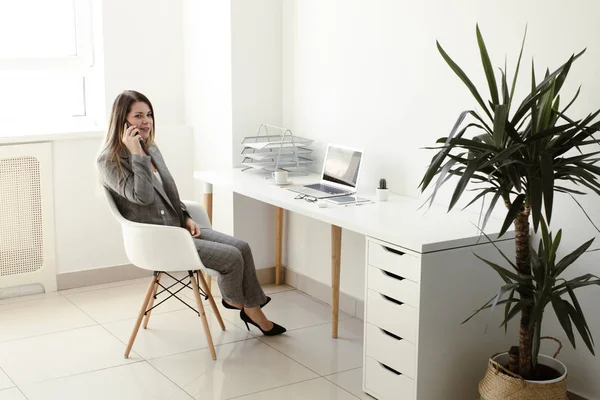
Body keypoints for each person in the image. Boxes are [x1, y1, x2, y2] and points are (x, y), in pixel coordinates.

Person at [97, 90, 285, 336]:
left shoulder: (151, 149)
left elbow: (169, 191)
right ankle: (243, 306)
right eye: (138, 116)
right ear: (122, 121)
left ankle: (247, 307)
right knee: (231, 258)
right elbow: (141, 197)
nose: (146, 121)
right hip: (160, 240)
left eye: (149, 115)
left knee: (243, 247)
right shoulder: (109, 161)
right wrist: (136, 156)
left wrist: (185, 216)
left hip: (178, 227)